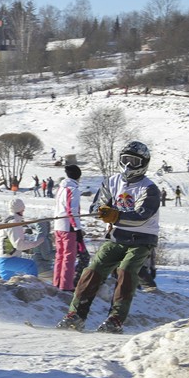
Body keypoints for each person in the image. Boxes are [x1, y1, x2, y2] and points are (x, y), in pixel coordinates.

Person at [57, 141, 160, 333]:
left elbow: (142, 216)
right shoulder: (112, 182)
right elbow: (97, 206)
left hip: (142, 239)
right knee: (93, 269)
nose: (129, 165)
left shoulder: (149, 188)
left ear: (143, 163)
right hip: (117, 237)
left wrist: (116, 215)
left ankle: (115, 319)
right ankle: (76, 315)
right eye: (125, 160)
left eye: (134, 161)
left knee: (126, 270)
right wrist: (101, 212)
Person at [0, 199, 44, 280]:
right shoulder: (14, 223)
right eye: (23, 209)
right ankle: (33, 289)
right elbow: (18, 245)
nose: (23, 211)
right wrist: (36, 243)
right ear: (19, 209)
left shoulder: (9, 220)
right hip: (7, 259)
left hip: (2, 258)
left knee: (8, 287)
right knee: (31, 266)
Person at [53, 165, 83, 291]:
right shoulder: (73, 189)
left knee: (60, 255)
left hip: (57, 225)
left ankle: (57, 282)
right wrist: (78, 228)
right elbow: (72, 210)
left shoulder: (61, 187)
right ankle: (66, 285)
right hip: (68, 226)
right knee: (69, 256)